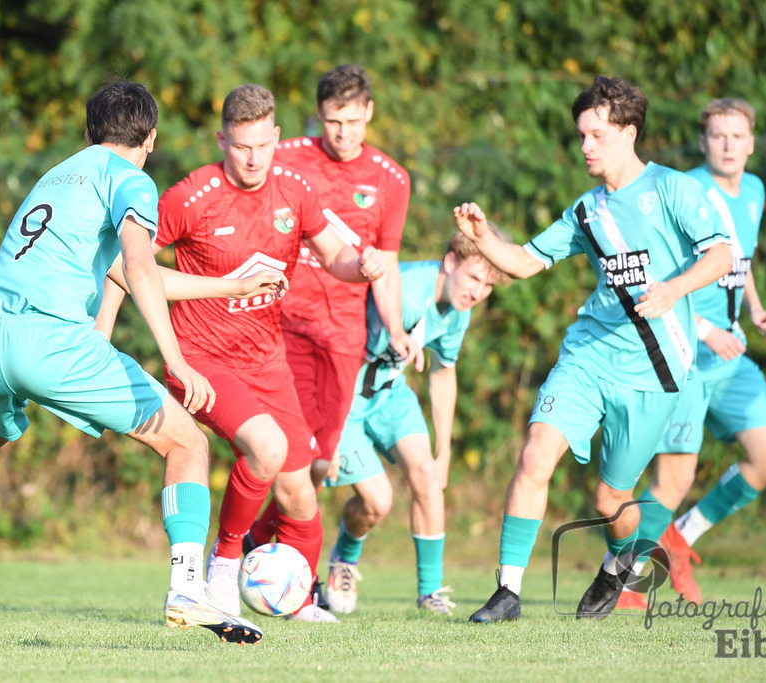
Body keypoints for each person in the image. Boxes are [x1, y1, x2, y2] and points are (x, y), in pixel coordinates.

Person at [0, 81, 283, 644]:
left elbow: (124, 271)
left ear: (90, 132)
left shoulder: (63, 174)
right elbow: (139, 268)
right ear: (152, 138)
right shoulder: (131, 179)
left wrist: (227, 285)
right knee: (187, 443)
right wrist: (177, 360)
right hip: (51, 341)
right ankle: (189, 590)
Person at [100, 84, 386, 623]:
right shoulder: (191, 196)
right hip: (202, 358)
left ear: (276, 137)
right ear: (222, 140)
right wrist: (102, 329)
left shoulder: (295, 191)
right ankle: (225, 562)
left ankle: (296, 596)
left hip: (267, 361)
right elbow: (128, 263)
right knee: (267, 447)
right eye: (240, 146)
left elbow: (335, 256)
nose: (253, 158)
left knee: (301, 496)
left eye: (262, 145)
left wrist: (361, 268)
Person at [455, 75, 734, 623]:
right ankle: (507, 593)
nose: (585, 146)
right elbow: (526, 263)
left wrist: (673, 289)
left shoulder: (675, 190)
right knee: (535, 454)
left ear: (628, 134)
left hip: (654, 370)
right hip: (588, 355)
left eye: (596, 135)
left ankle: (616, 564)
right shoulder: (587, 210)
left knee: (611, 503)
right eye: (581, 135)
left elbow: (722, 256)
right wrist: (485, 238)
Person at [243, 64, 418, 599]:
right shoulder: (290, 157)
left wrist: (395, 329)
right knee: (286, 454)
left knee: (318, 465)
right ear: (319, 116)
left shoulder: (391, 179)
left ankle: (258, 551)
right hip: (282, 327)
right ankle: (274, 568)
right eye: (333, 120)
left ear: (369, 113)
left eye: (353, 119)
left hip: (343, 342)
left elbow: (384, 266)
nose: (344, 131)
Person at [615, 98, 766, 611]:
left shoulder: (754, 191)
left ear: (752, 142)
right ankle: (625, 581)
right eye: (719, 136)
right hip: (686, 352)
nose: (729, 144)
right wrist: (708, 327)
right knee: (673, 479)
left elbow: (739, 257)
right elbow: (655, 272)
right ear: (703, 141)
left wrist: (755, 308)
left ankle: (681, 537)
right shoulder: (682, 190)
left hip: (730, 357)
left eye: (738, 136)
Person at [322, 230, 508, 616]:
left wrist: (444, 451)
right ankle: (342, 558)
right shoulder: (407, 290)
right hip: (343, 395)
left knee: (426, 472)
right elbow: (342, 348)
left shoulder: (459, 311)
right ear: (451, 262)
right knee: (378, 501)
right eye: (474, 278)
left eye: (488, 285)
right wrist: (328, 430)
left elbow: (443, 373)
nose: (477, 292)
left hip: (390, 394)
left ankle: (430, 593)